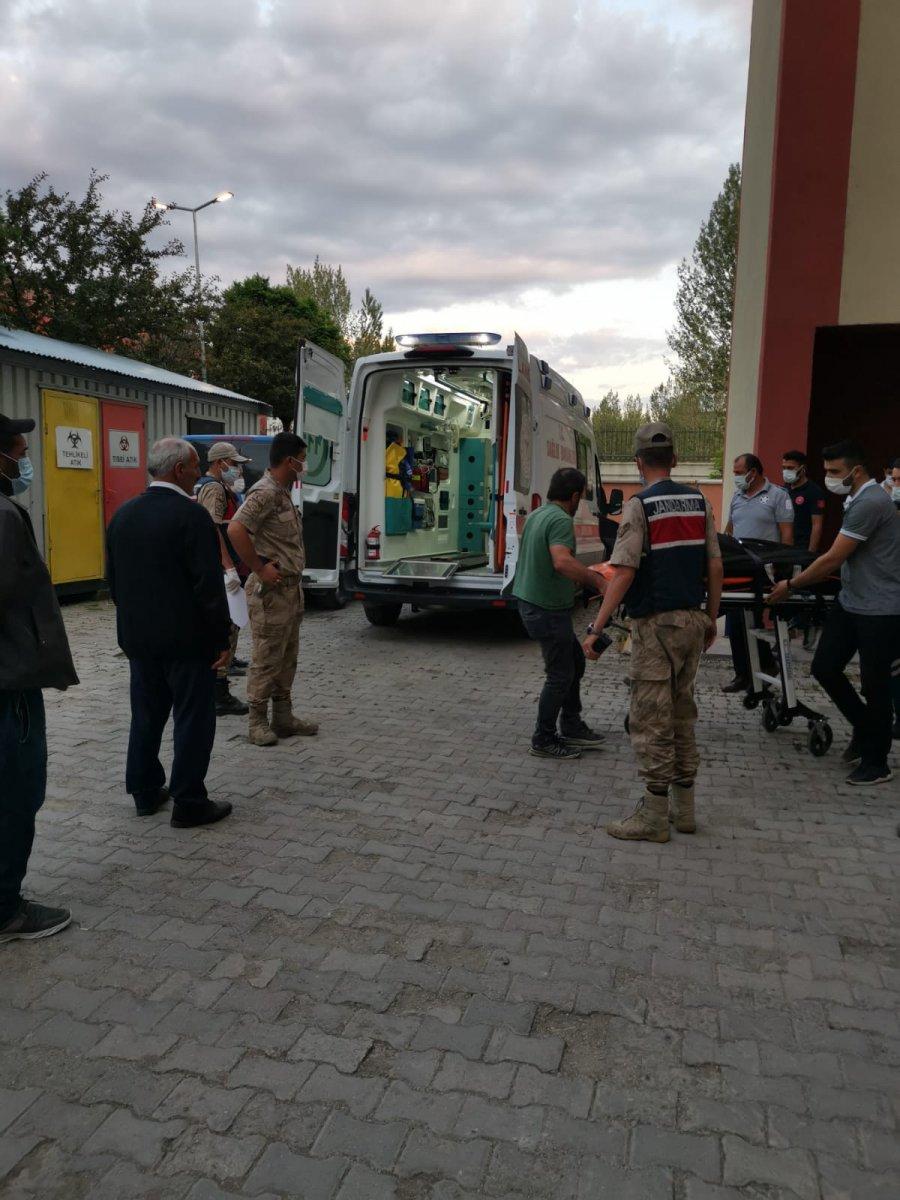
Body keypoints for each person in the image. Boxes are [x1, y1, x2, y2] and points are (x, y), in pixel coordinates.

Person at [584, 423, 723, 842]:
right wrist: (711, 619)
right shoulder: (699, 502)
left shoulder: (638, 506)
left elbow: (624, 571)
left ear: (638, 463)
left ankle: (653, 816)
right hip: (692, 621)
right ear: (676, 460)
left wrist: (597, 626)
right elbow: (714, 564)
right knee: (682, 713)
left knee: (650, 720)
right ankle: (685, 811)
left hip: (655, 625)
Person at [106, 438, 233, 827]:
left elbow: (113, 583)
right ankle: (189, 801)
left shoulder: (123, 515)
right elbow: (207, 586)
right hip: (186, 641)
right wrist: (221, 640)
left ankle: (144, 792)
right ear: (179, 470)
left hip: (139, 640)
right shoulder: (190, 516)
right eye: (196, 466)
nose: (199, 473)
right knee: (193, 719)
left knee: (146, 715)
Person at [768, 440, 900, 786]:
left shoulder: (870, 502)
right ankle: (865, 727)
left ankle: (877, 761)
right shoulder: (857, 498)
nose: (829, 478)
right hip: (852, 600)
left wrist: (791, 585)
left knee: (876, 685)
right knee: (825, 667)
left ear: (856, 471)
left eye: (834, 472)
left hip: (880, 609)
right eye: (826, 471)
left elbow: (833, 557)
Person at [0, 411, 78, 941]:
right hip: (9, 683)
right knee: (16, 792)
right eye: (22, 452)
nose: (25, 460)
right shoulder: (4, 517)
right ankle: (6, 909)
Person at [227, 432, 318, 747]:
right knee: (266, 656)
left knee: (287, 655)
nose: (304, 465)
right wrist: (259, 568)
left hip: (290, 589)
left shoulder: (282, 492)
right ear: (289, 460)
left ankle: (283, 717)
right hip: (271, 592)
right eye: (302, 459)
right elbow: (236, 528)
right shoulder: (264, 492)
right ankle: (257, 722)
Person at [512, 467, 605, 760]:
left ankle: (572, 725)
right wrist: (597, 580)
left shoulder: (538, 514)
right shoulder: (561, 520)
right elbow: (562, 563)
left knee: (575, 662)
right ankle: (544, 738)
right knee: (560, 675)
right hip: (546, 610)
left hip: (533, 604)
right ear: (575, 495)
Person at [722, 452, 794, 692]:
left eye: (739, 473)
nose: (736, 478)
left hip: (765, 567)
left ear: (754, 472)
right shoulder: (737, 497)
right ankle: (743, 673)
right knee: (735, 619)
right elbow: (730, 530)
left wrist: (784, 570)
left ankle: (766, 664)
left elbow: (786, 535)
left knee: (752, 619)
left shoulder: (778, 497)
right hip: (740, 564)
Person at [195, 441, 251, 718]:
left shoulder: (217, 487)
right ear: (220, 464)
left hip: (223, 568)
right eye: (234, 463)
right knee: (226, 632)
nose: (237, 469)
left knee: (228, 630)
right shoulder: (214, 488)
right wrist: (228, 567)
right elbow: (211, 528)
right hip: (222, 572)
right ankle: (219, 693)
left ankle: (217, 688)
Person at [781, 450, 826, 552]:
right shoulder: (784, 489)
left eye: (790, 468)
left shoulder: (814, 491)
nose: (786, 471)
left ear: (802, 468)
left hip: (802, 547)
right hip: (784, 546)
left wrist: (810, 553)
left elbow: (817, 525)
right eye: (784, 468)